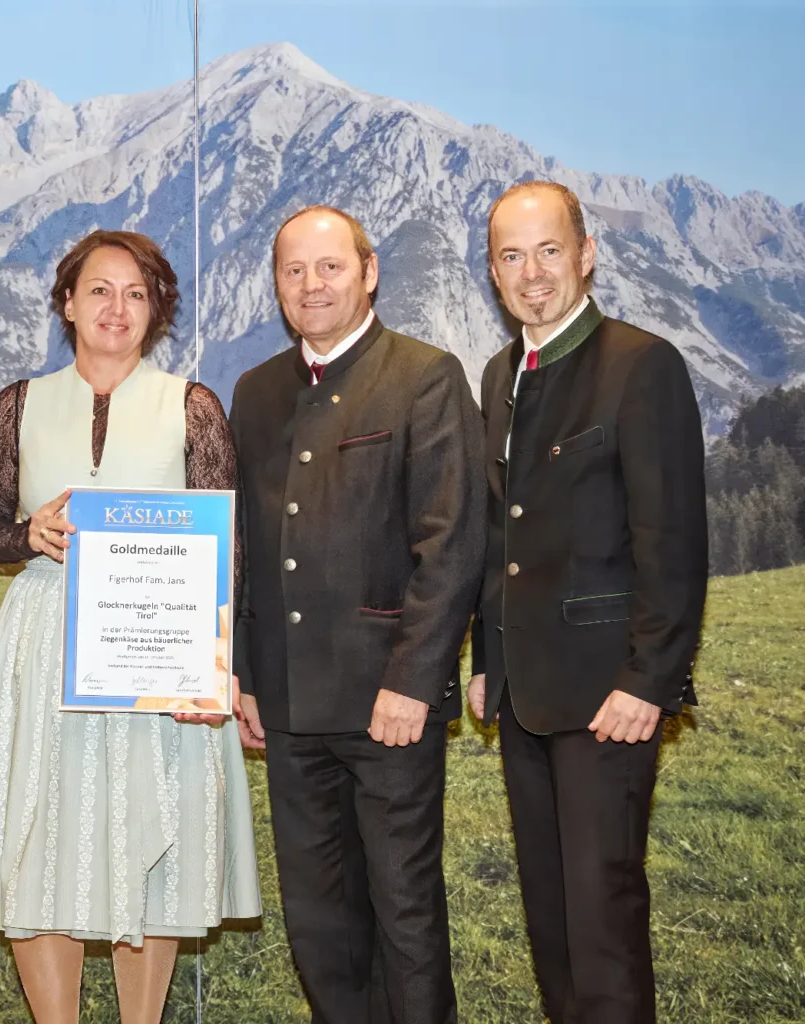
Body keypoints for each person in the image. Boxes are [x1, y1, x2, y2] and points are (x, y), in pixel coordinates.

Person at [0, 230, 261, 1024]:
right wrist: (29, 535)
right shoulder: (19, 402)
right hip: (44, 643)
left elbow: (229, 550)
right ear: (67, 302)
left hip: (162, 649)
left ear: (157, 307)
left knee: (147, 836)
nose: (115, 307)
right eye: (98, 289)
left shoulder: (192, 406)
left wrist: (220, 663)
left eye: (135, 291)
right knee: (41, 842)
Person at [231, 206, 484, 1023]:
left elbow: (449, 544)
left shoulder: (425, 374)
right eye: (293, 271)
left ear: (369, 272)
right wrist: (246, 675)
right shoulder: (258, 390)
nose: (311, 285)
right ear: (275, 284)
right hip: (290, 708)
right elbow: (245, 548)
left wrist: (414, 681)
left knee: (405, 913)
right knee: (319, 919)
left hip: (388, 707)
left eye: (329, 267)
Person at [468, 181, 707, 1024]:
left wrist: (650, 681)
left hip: (611, 698)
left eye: (547, 251)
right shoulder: (500, 375)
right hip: (525, 695)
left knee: (602, 922)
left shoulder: (642, 366)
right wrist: (486, 662)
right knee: (551, 922)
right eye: (510, 256)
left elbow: (672, 547)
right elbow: (500, 535)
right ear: (493, 274)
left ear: (585, 254)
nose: (531, 273)